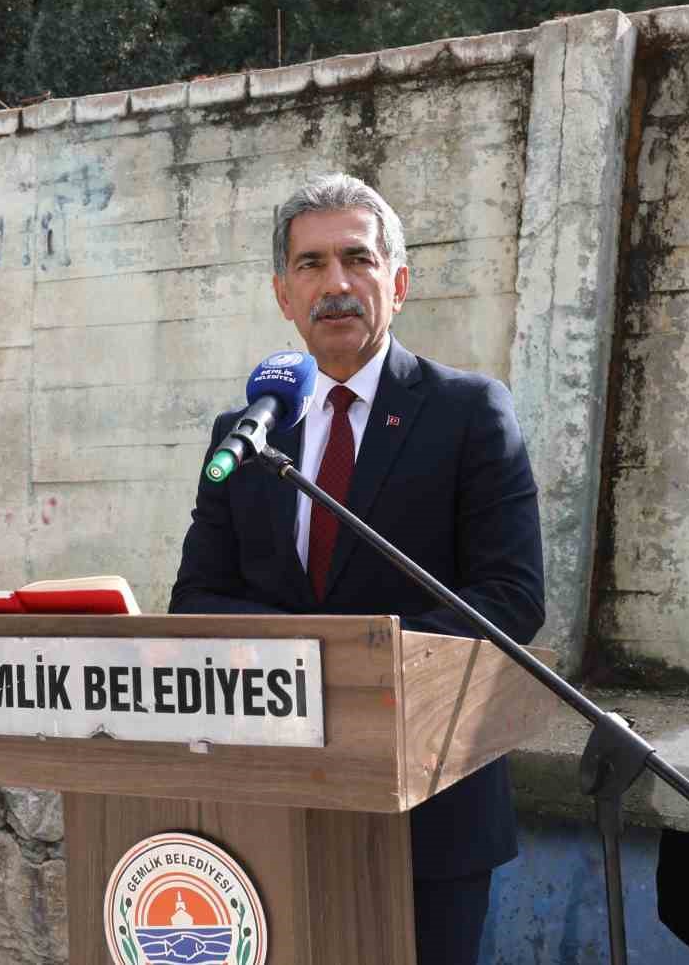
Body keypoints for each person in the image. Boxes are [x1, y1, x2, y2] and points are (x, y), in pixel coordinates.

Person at [170, 173, 545, 964]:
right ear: (283, 294)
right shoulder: (243, 432)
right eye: (310, 265)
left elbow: (510, 599)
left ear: (397, 282)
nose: (334, 284)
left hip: (431, 809)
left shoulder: (471, 412)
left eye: (356, 259)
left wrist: (353, 667)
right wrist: (308, 667)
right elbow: (198, 597)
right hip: (277, 800)